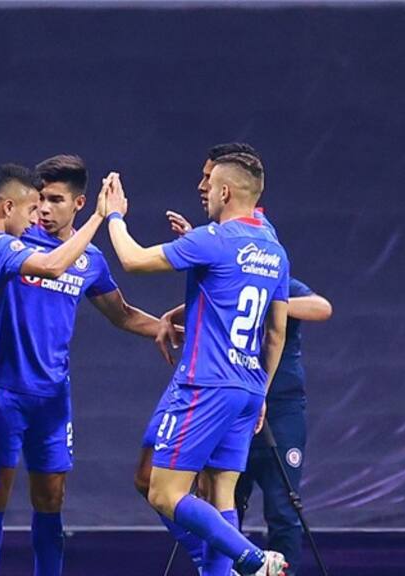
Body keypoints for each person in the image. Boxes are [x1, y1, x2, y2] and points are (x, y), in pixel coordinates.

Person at [0, 155, 174, 576]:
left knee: (51, 498)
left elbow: (120, 313)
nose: (44, 210)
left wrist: (163, 328)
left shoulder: (88, 260)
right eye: (39, 201)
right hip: (0, 391)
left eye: (55, 200)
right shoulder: (12, 243)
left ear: (79, 203)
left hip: (51, 399)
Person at [102, 149, 290, 576]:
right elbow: (275, 332)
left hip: (205, 384)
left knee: (164, 493)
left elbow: (133, 260)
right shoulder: (274, 249)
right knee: (222, 493)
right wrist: (261, 390)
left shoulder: (214, 240)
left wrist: (114, 216)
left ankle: (255, 561)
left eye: (209, 184)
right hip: (247, 387)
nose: (202, 190)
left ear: (226, 191)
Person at [235, 278, 332, 575]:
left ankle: (283, 572)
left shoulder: (281, 282)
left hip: (282, 409)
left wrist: (273, 304)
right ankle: (229, 569)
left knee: (282, 506)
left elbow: (322, 308)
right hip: (234, 405)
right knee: (226, 501)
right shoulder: (227, 277)